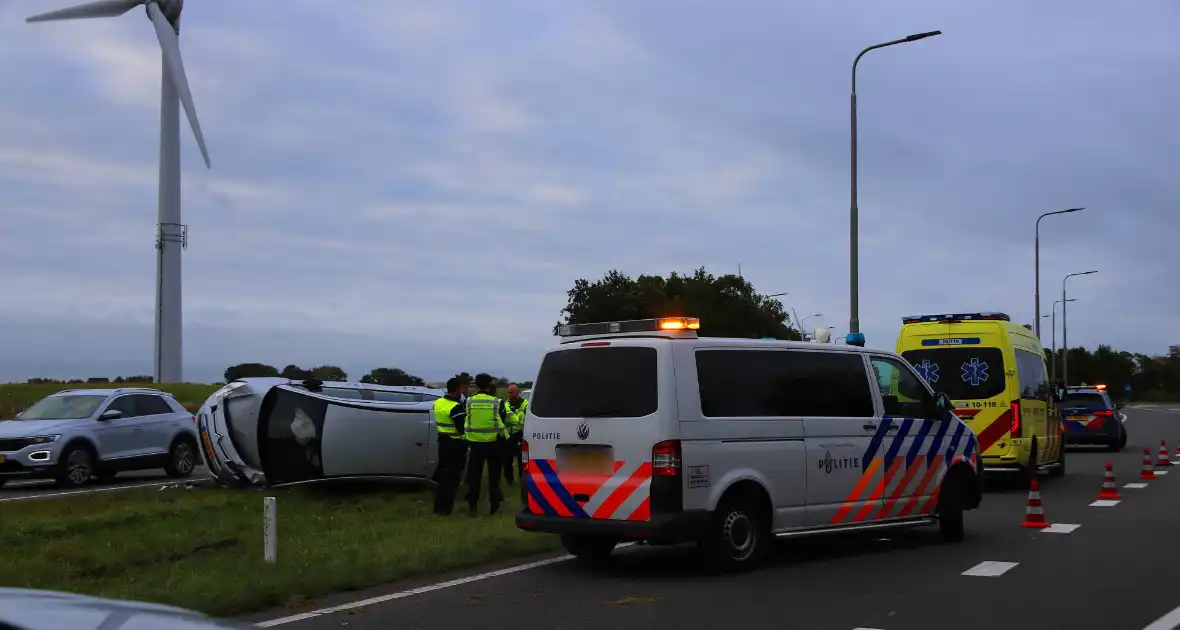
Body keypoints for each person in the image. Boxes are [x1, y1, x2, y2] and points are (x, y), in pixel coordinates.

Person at [464, 373, 508, 516]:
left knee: (474, 477)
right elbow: (502, 419)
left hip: (476, 444)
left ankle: (472, 507)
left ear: (476, 384)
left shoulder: (468, 402)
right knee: (494, 477)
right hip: (494, 444)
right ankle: (494, 506)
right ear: (489, 384)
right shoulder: (498, 402)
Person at [430, 377, 469, 516]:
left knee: (444, 476)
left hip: (443, 441)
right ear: (458, 389)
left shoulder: (438, 402)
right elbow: (462, 428)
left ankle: (438, 507)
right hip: (455, 445)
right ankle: (446, 509)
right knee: (452, 478)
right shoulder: (455, 407)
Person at [502, 383, 528, 485]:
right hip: (509, 436)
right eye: (508, 392)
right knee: (507, 461)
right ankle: (509, 480)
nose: (509, 394)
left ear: (518, 393)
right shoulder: (505, 405)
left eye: (511, 392)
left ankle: (523, 480)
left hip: (522, 435)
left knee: (522, 460)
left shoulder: (526, 404)